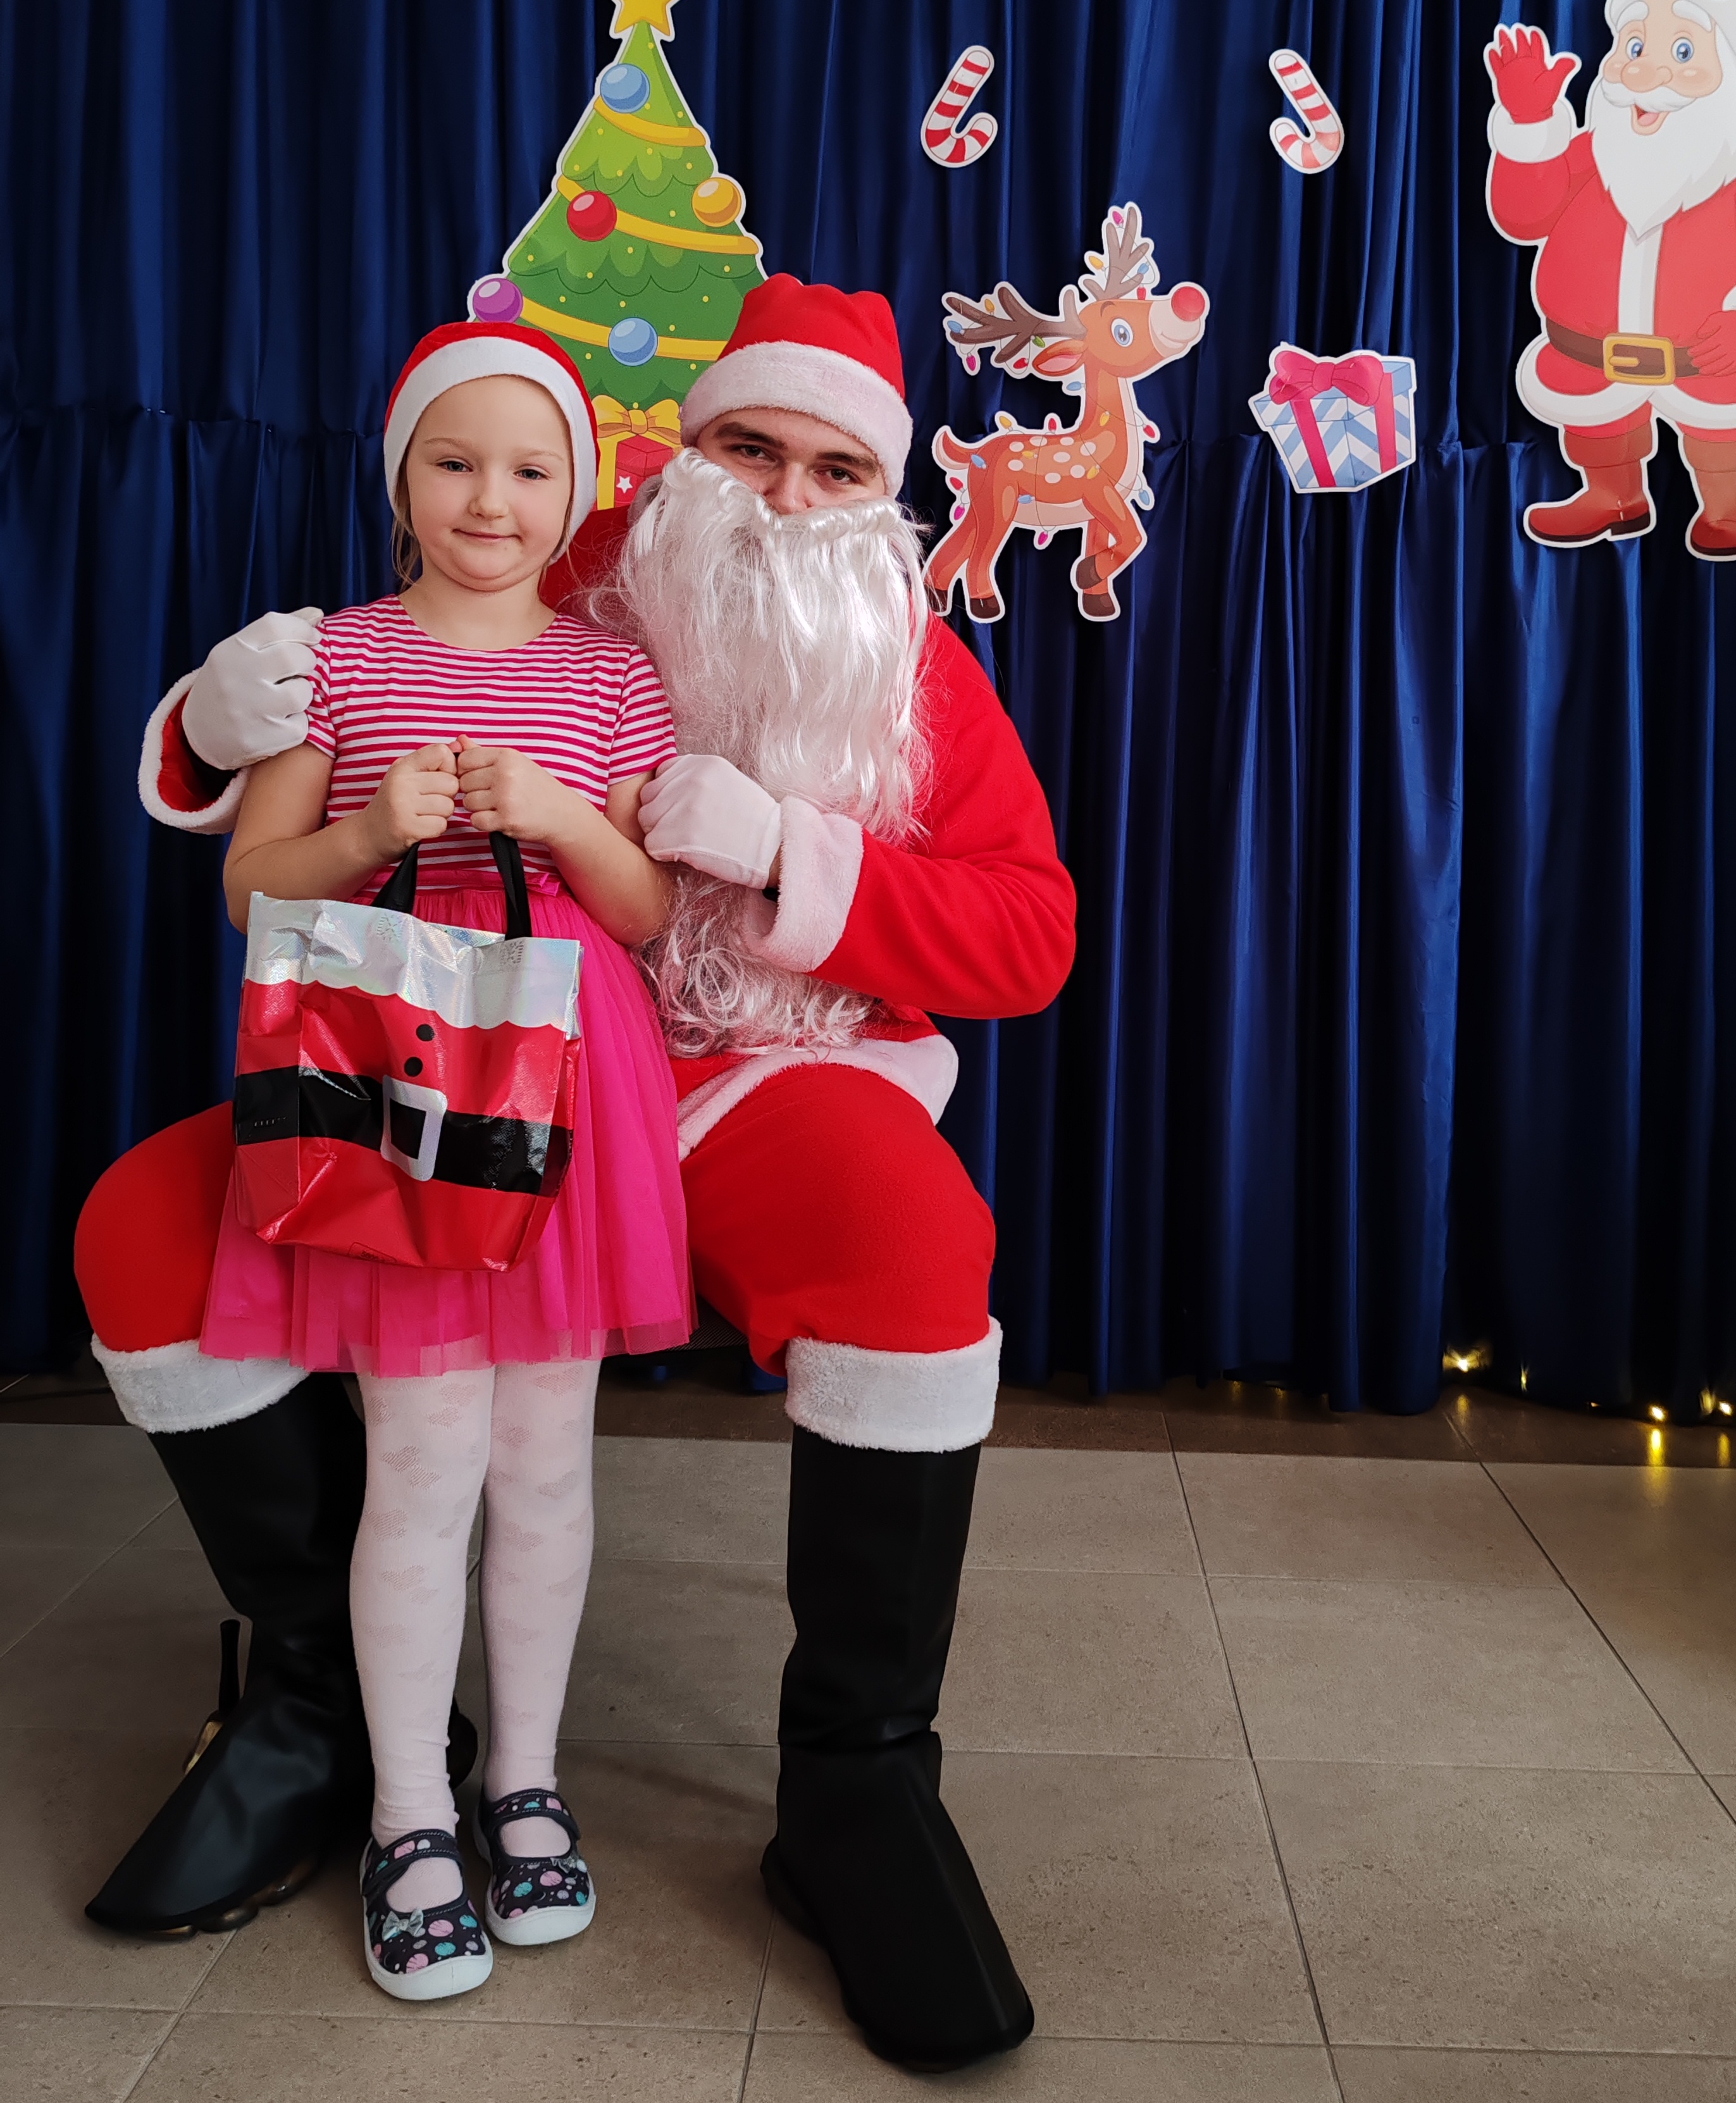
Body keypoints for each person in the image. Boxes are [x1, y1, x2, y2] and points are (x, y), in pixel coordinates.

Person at [77, 275, 1076, 2072]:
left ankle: (856, 1787)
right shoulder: (579, 551)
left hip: (750, 1078)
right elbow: (361, 676)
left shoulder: (907, 656)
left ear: (885, 494)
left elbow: (1029, 936)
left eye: (835, 469)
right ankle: (329, 1722)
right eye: (747, 446)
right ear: (673, 453)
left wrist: (792, 851)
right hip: (445, 1050)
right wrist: (207, 726)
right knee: (143, 1229)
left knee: (914, 1240)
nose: (783, 498)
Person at [208, 319, 690, 1997]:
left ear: (577, 492)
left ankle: (524, 1785)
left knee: (546, 1463)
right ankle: (409, 1815)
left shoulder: (613, 677)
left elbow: (647, 910)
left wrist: (558, 818)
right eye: (456, 461)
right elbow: (251, 889)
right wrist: (368, 831)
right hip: (395, 1079)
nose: (493, 498)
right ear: (401, 474)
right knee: (420, 1464)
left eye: (531, 468)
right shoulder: (334, 661)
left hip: (570, 1084)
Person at [1485, 0, 1736, 559]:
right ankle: (1613, 494)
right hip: (1591, 354)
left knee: (1723, 438)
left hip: (1710, 360)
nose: (1646, 70)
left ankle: (1726, 506)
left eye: (1683, 50)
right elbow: (1525, 213)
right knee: (1597, 426)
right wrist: (1531, 125)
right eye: (1635, 46)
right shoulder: (1596, 153)